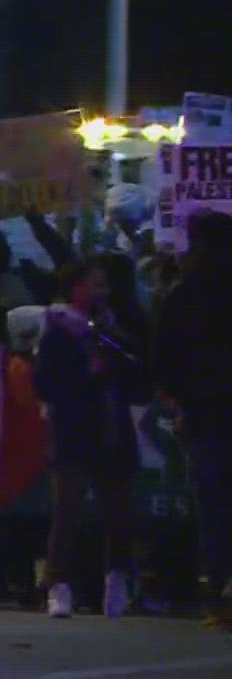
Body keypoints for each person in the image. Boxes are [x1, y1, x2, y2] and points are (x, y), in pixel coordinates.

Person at [34, 260, 144, 619]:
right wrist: (85, 373)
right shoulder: (57, 329)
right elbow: (45, 383)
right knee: (68, 511)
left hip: (113, 430)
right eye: (94, 284)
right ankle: (58, 584)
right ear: (76, 288)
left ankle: (117, 580)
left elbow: (136, 375)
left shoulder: (114, 327)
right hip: (73, 433)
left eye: (105, 285)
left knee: (119, 513)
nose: (102, 292)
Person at [151, 211, 232, 626]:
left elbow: (163, 359)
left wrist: (179, 400)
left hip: (203, 413)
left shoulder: (183, 295)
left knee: (214, 504)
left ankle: (220, 588)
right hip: (210, 410)